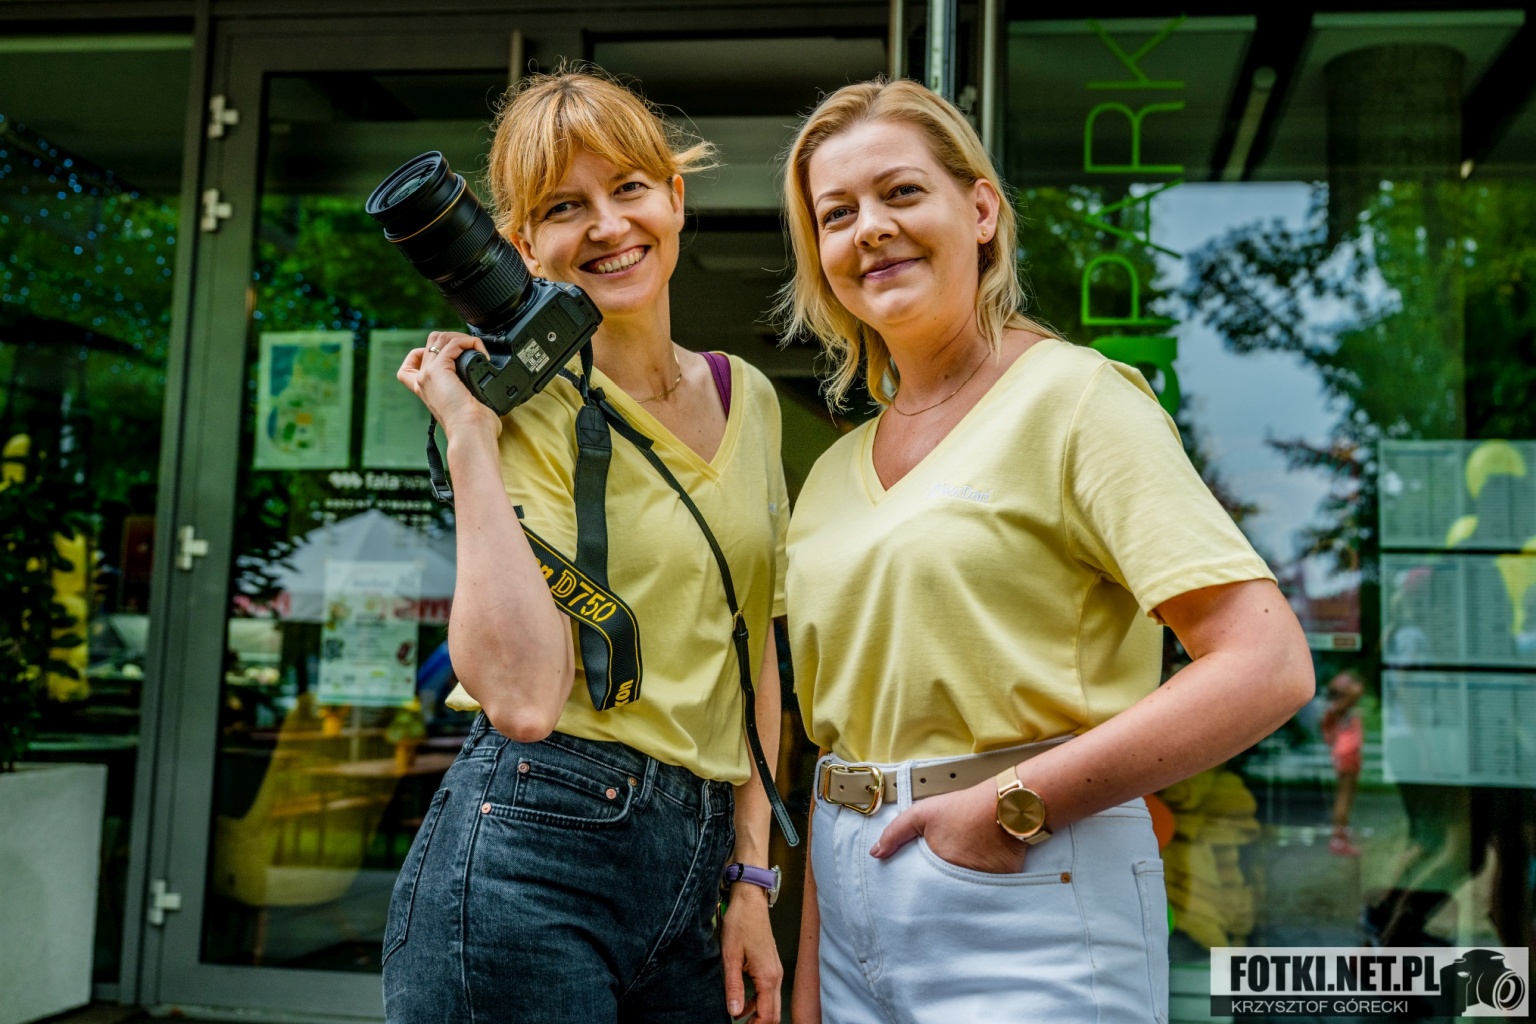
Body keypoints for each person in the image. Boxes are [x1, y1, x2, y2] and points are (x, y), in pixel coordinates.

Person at [778, 78, 1315, 1023]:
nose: (871, 228)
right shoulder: (830, 474)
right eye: (838, 214)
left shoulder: (1076, 400)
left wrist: (1011, 808)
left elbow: (1266, 664)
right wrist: (816, 979)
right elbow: (837, 752)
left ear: (981, 211)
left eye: (902, 192)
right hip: (851, 907)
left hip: (1026, 889)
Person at [381, 68, 787, 1024]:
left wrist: (750, 877)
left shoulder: (750, 396)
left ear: (675, 199)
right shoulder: (516, 411)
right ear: (522, 246)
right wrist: (469, 440)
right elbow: (523, 699)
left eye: (630, 188)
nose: (608, 226)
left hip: (694, 863)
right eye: (565, 207)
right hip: (532, 847)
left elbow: (757, 650)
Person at [1321, 669, 1365, 856]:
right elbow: (1358, 690)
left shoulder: (1338, 707)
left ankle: (1341, 835)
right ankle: (1338, 839)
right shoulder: (1341, 706)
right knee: (1344, 797)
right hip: (1348, 753)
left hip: (1346, 752)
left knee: (1346, 796)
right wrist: (1346, 684)